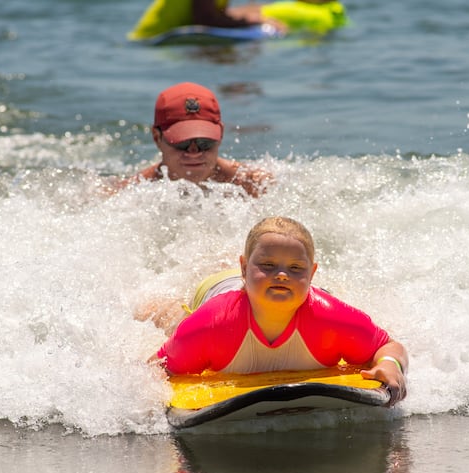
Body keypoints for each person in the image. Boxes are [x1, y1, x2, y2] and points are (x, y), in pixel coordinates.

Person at [149, 216, 409, 406]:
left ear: (313, 273)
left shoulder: (333, 319)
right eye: (268, 265)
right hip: (218, 290)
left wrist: (390, 365)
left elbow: (389, 346)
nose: (282, 275)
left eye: (296, 268)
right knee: (170, 318)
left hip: (263, 289)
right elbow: (157, 366)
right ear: (243, 267)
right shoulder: (210, 323)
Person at [112, 82, 272, 197]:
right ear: (157, 138)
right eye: (182, 143)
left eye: (205, 142)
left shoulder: (256, 185)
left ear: (220, 135)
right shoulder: (130, 194)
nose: (194, 152)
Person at [131, 0, 287, 40]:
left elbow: (217, 13)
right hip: (153, 41)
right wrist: (250, 21)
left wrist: (255, 13)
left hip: (164, 41)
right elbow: (205, 19)